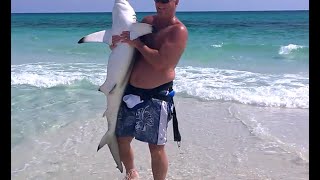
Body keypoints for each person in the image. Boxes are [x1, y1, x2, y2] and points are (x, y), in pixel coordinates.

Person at [109, 0, 188, 179]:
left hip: (156, 95)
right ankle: (131, 174)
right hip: (130, 91)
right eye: (157, 0)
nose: (160, 4)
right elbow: (130, 51)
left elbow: (161, 63)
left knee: (156, 147)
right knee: (122, 138)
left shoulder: (178, 31)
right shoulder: (147, 22)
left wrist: (137, 44)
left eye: (165, 0)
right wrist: (117, 44)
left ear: (176, 2)